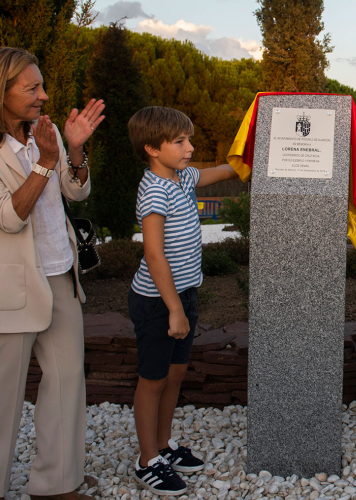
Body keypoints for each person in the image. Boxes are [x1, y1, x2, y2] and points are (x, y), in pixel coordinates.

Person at [0, 47, 104, 500]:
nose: (43, 95)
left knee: (66, 385)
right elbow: (7, 216)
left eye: (41, 85)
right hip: (9, 292)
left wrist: (72, 151)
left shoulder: (43, 134)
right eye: (31, 87)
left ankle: (56, 484)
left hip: (60, 277)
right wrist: (43, 162)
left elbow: (74, 193)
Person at [126, 106, 239, 495]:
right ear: (152, 149)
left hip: (184, 294)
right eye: (180, 142)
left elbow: (213, 173)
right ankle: (146, 460)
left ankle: (162, 445)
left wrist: (245, 164)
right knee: (152, 381)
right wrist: (174, 308)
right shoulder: (155, 189)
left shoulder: (180, 177)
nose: (190, 147)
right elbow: (154, 254)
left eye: (189, 139)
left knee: (174, 375)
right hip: (158, 302)